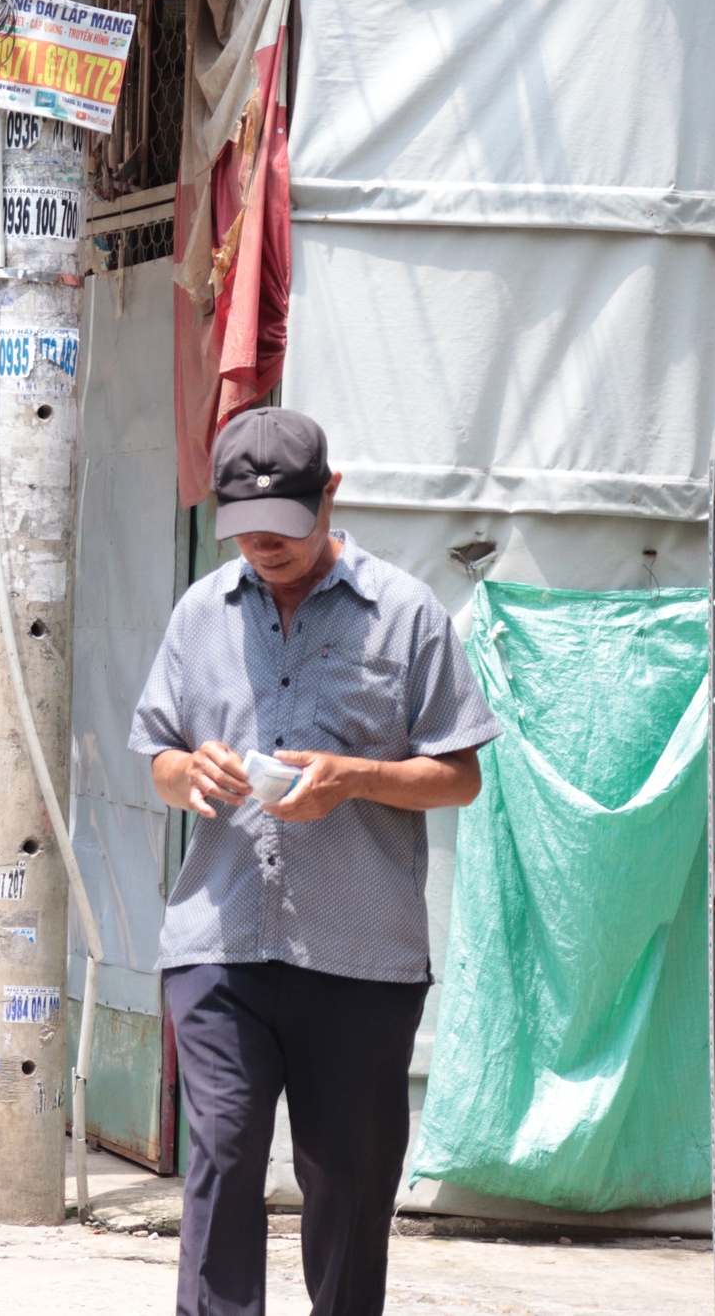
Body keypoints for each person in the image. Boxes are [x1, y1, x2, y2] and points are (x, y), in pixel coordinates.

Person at [128, 408, 497, 1316]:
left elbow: (460, 777)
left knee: (349, 1183)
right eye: (245, 530)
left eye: (284, 528)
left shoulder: (406, 616)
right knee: (221, 1150)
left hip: (361, 955)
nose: (264, 547)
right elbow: (159, 757)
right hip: (219, 940)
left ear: (330, 496)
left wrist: (357, 778)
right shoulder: (199, 613)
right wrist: (191, 771)